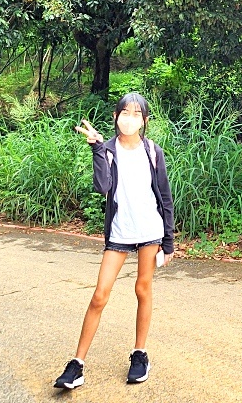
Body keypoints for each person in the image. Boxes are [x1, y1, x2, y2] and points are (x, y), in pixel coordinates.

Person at [54, 92, 175, 389]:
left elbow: (165, 197)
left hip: (150, 231)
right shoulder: (107, 150)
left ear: (145, 121)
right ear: (115, 116)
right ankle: (77, 364)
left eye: (136, 114)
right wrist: (96, 150)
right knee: (99, 295)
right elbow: (102, 187)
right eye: (125, 113)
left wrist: (169, 241)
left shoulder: (153, 151)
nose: (129, 119)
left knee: (142, 289)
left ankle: (139, 354)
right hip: (119, 233)